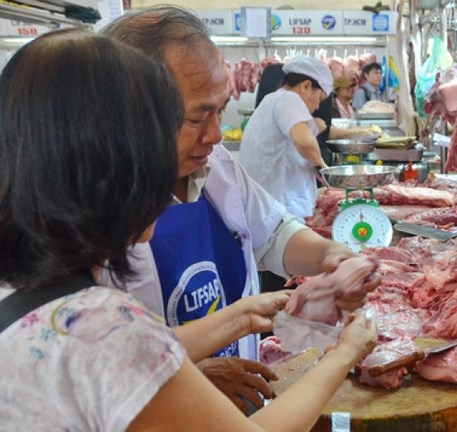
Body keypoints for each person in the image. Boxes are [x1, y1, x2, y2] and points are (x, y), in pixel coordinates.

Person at [0, 30, 378, 431]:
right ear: (111, 164)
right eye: (189, 120)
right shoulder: (107, 325)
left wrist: (244, 316)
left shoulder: (47, 309)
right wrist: (345, 353)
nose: (214, 136)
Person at [101, 5, 380, 413]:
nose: (215, 134)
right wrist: (193, 372)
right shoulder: (89, 215)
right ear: (135, 113)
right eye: (199, 117)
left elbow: (276, 232)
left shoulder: (217, 168)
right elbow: (108, 364)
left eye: (219, 110)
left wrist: (328, 257)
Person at [239, 55, 332, 222]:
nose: (318, 106)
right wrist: (323, 168)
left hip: (268, 211)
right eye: (320, 98)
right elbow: (305, 142)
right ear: (306, 86)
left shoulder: (273, 99)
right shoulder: (289, 99)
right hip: (279, 215)